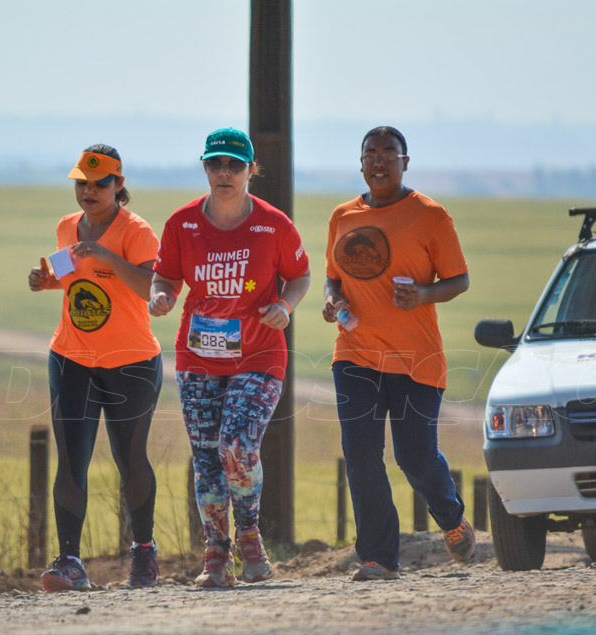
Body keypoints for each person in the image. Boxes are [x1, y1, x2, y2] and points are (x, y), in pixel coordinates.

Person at [149, 127, 311, 587]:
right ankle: (216, 556)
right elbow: (165, 278)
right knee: (206, 460)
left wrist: (285, 305)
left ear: (250, 171)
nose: (225, 173)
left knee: (237, 449)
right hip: (198, 357)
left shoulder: (273, 224)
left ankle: (250, 535)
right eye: (216, 164)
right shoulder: (181, 224)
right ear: (204, 168)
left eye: (234, 165)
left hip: (259, 353)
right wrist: (160, 297)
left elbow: (299, 276)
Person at [322, 126, 475, 581]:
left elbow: (459, 280)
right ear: (362, 163)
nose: (380, 161)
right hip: (355, 354)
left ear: (405, 162)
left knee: (415, 458)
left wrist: (424, 293)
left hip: (416, 359)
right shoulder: (342, 215)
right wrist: (334, 300)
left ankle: (450, 517)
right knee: (362, 454)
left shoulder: (430, 215)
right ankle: (378, 557)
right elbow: (333, 274)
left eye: (390, 153)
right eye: (371, 153)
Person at [28, 145, 163, 590]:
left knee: (131, 459)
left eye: (99, 183)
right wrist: (45, 280)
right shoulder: (68, 226)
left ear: (119, 185)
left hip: (132, 364)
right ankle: (69, 561)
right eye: (81, 183)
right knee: (71, 460)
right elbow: (69, 276)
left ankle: (143, 553)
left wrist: (109, 258)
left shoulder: (137, 232)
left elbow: (150, 288)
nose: (88, 191)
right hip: (71, 358)